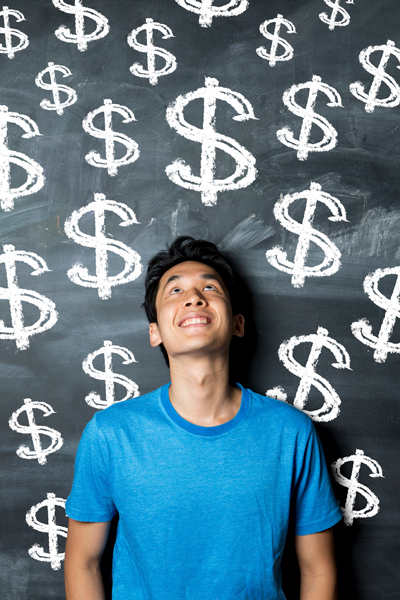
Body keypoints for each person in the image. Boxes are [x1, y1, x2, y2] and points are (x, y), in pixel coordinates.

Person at [64, 236, 342, 600]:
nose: (193, 297)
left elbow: (318, 568)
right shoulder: (110, 434)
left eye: (209, 287)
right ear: (155, 333)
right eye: (174, 290)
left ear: (238, 324)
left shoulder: (290, 432)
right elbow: (82, 562)